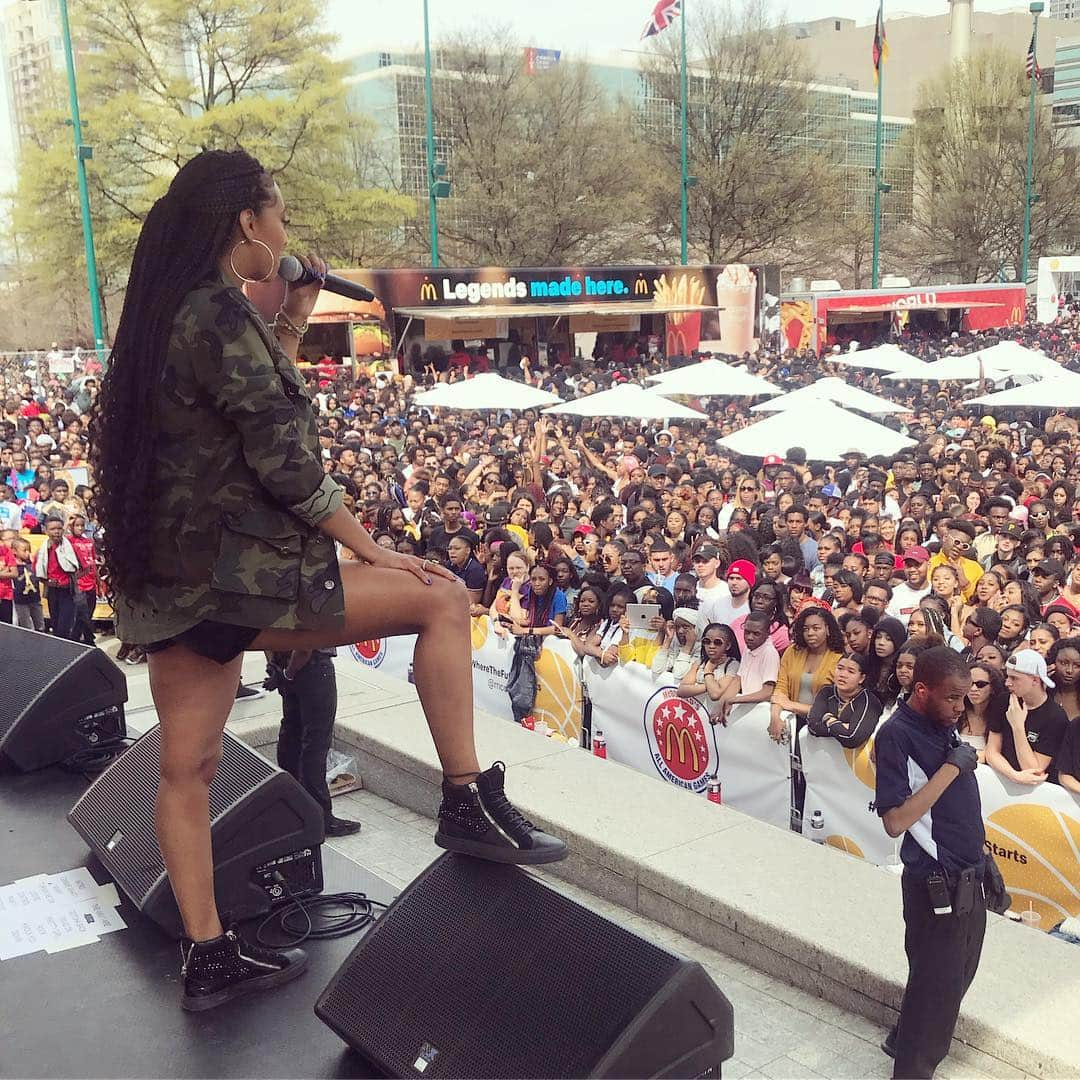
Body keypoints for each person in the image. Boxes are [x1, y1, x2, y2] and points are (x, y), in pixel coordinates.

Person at [90, 150, 565, 1013]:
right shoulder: (218, 310)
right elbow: (286, 457)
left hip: (173, 585)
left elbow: (241, 409)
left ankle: (208, 956)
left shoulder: (169, 312)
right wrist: (373, 550)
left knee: (184, 770)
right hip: (240, 579)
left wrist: (294, 320)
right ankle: (464, 797)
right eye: (279, 212)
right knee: (442, 597)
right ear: (246, 223)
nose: (286, 230)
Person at [874, 646, 986, 1080]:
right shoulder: (897, 734)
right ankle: (912, 1068)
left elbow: (952, 810)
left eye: (966, 698)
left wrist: (983, 858)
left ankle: (902, 1038)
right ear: (922, 689)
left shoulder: (941, 724)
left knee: (955, 974)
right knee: (937, 988)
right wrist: (952, 769)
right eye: (953, 698)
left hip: (967, 872)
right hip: (934, 882)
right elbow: (895, 820)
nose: (961, 708)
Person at [265, 649, 361, 837]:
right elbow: (306, 644)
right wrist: (288, 673)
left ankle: (292, 808)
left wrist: (276, 668)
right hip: (312, 666)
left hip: (285, 663)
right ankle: (320, 817)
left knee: (291, 734)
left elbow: (266, 635)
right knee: (314, 744)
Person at [985, 649, 1068, 786]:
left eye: (1014, 678)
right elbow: (992, 751)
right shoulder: (1003, 701)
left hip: (1036, 792)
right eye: (1008, 676)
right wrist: (1014, 775)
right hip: (1002, 779)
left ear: (1035, 680)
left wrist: (1018, 727)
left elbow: (1033, 770)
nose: (1007, 683)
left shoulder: (1055, 717)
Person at [769, 606, 844, 743]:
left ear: (828, 630)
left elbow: (832, 708)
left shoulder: (839, 659)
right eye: (805, 629)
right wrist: (775, 717)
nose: (810, 633)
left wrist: (790, 705)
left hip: (820, 730)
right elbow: (781, 687)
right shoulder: (793, 651)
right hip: (791, 721)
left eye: (816, 628)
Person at [958, 663, 1007, 763]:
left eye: (980, 684)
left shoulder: (1002, 716)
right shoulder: (956, 712)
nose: (973, 689)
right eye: (969, 683)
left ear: (993, 688)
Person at [888, 546, 931, 625]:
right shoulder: (894, 594)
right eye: (908, 565)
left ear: (928, 565)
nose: (912, 570)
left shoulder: (935, 592)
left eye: (917, 565)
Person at [11, 536, 44, 631]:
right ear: (14, 551)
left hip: (34, 598)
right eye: (24, 550)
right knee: (26, 626)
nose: (28, 553)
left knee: (40, 625)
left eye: (29, 550)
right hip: (21, 601)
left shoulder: (31, 563)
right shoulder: (13, 566)